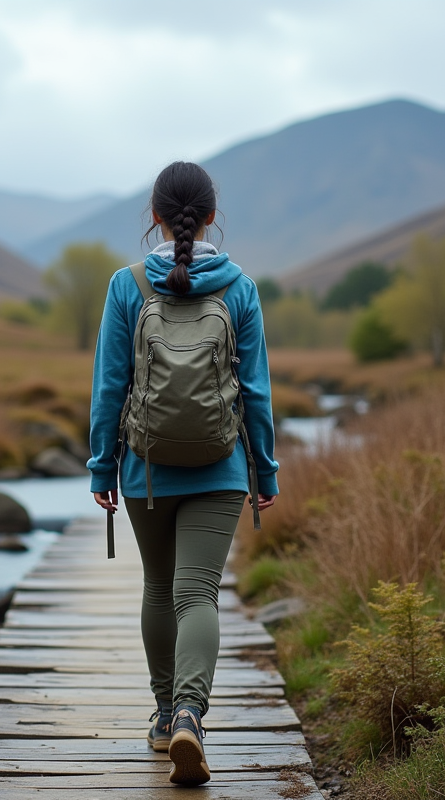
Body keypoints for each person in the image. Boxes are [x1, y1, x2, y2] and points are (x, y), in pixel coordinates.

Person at [87, 160, 279, 786]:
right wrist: (266, 474)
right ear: (211, 215)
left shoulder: (127, 284)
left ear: (156, 215)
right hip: (220, 466)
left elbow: (111, 385)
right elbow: (255, 393)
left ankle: (166, 713)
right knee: (199, 593)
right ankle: (194, 717)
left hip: (145, 468)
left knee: (158, 588)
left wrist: (101, 465)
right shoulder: (240, 287)